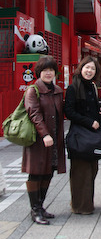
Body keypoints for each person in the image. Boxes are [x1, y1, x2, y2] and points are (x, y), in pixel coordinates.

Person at [22, 55, 66, 225]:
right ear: (38, 72)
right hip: (38, 140)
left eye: (51, 70)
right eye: (45, 70)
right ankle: (35, 210)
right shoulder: (33, 90)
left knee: (48, 171)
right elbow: (34, 114)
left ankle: (40, 206)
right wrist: (45, 134)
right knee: (36, 173)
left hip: (53, 139)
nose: (48, 73)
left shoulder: (57, 90)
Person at [64, 56, 101, 215]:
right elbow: (69, 112)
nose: (89, 71)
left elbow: (92, 105)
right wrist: (89, 122)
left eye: (93, 69)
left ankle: (86, 202)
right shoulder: (73, 88)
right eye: (87, 67)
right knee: (81, 172)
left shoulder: (92, 86)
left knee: (92, 169)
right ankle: (80, 206)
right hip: (80, 135)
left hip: (92, 136)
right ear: (81, 68)